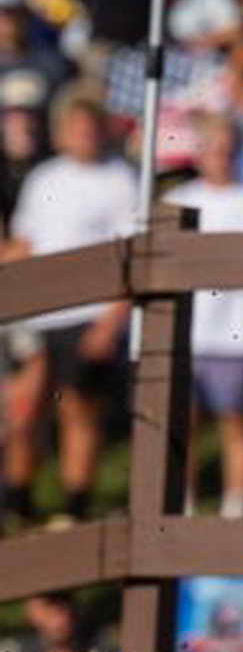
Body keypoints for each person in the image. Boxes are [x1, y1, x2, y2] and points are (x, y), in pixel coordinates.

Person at [1, 89, 132, 522]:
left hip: (87, 314)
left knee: (78, 411)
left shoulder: (119, 179)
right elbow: (26, 242)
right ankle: (18, 501)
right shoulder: (44, 178)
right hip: (37, 312)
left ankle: (75, 507)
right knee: (24, 409)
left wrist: (110, 322)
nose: (83, 136)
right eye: (75, 128)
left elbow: (130, 257)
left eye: (89, 128)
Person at [166, 116, 243, 519]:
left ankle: (235, 509)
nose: (221, 158)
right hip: (186, 331)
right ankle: (184, 507)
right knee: (183, 424)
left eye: (228, 150)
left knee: (237, 423)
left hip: (236, 332)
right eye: (213, 149)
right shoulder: (178, 200)